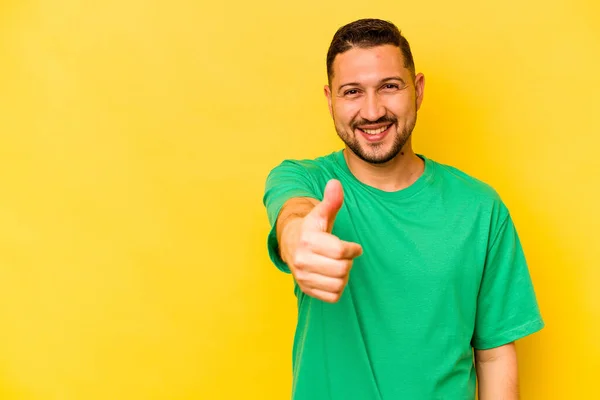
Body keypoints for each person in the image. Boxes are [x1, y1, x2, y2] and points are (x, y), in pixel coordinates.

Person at [262, 18, 544, 400]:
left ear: (419, 89)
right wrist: (298, 241)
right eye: (352, 92)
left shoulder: (481, 209)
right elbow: (293, 214)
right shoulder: (303, 180)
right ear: (330, 99)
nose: (373, 110)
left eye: (389, 87)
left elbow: (493, 356)